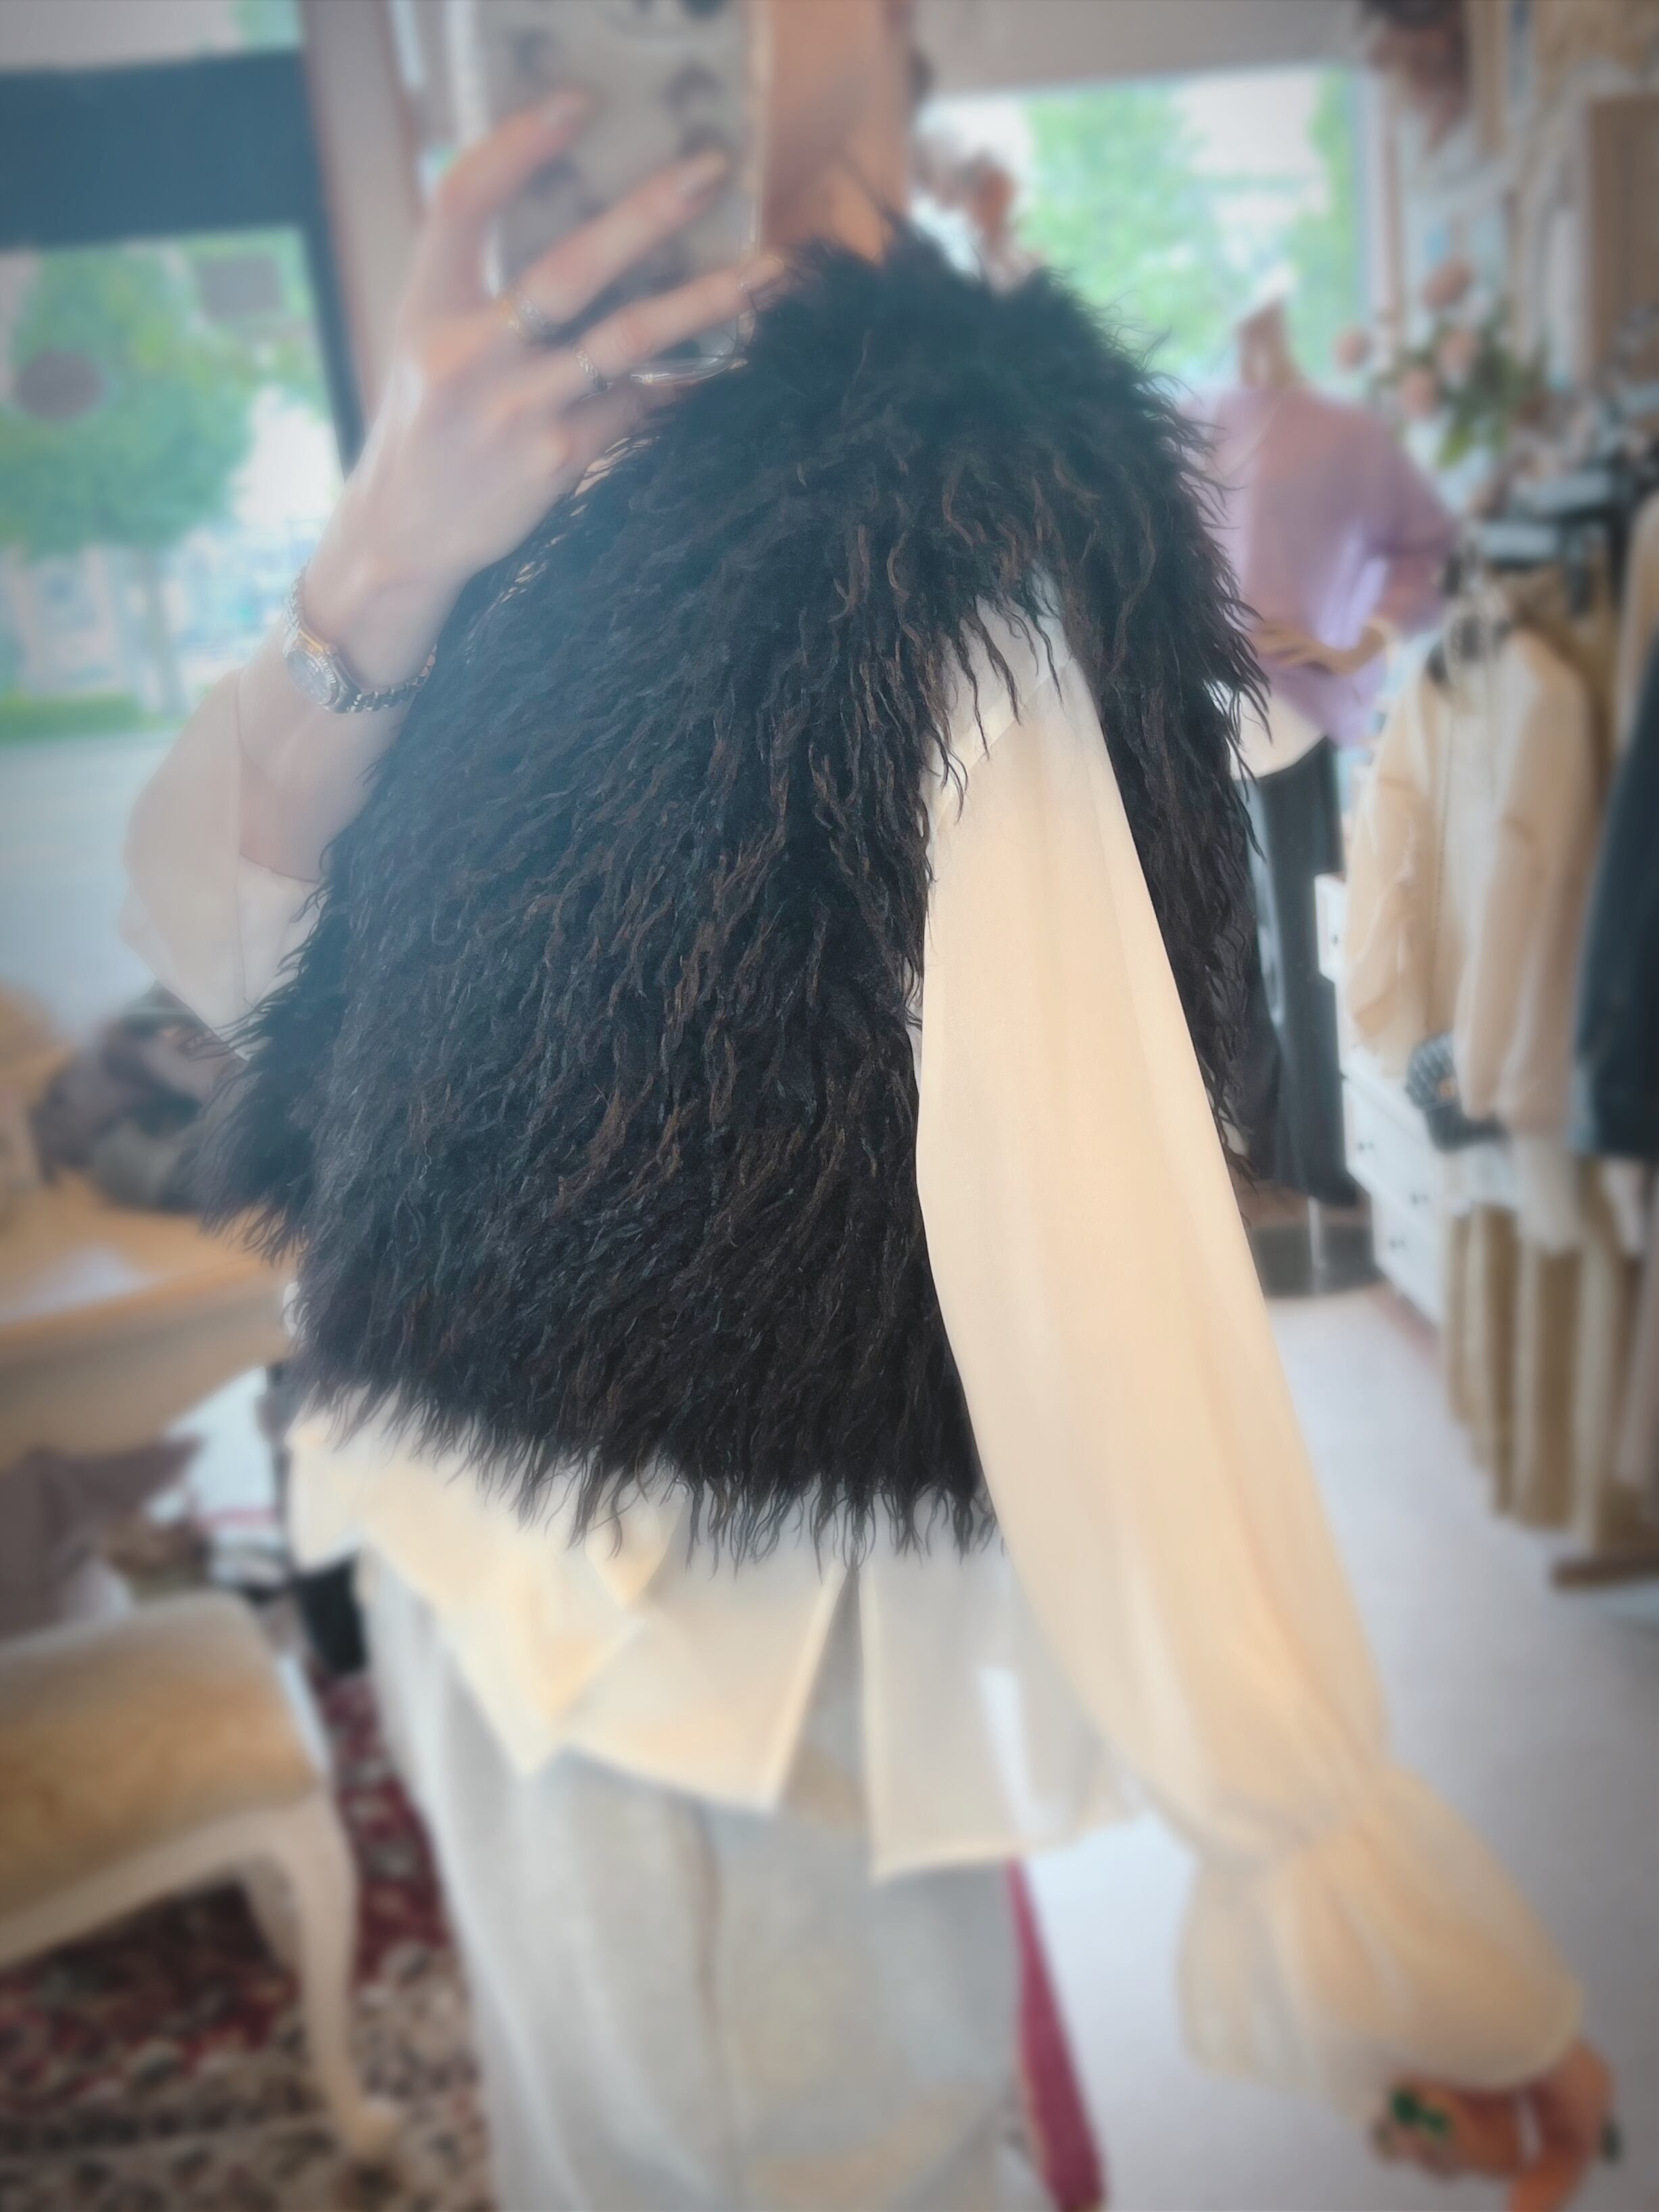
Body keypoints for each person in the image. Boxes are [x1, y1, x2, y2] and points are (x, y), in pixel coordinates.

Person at [124, 4, 1611, 2207]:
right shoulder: (520, 465)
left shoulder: (936, 513)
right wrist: (380, 566)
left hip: (697, 1657)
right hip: (459, 1560)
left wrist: (1349, 1902)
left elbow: (1099, 1255)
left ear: (888, 57)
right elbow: (232, 961)